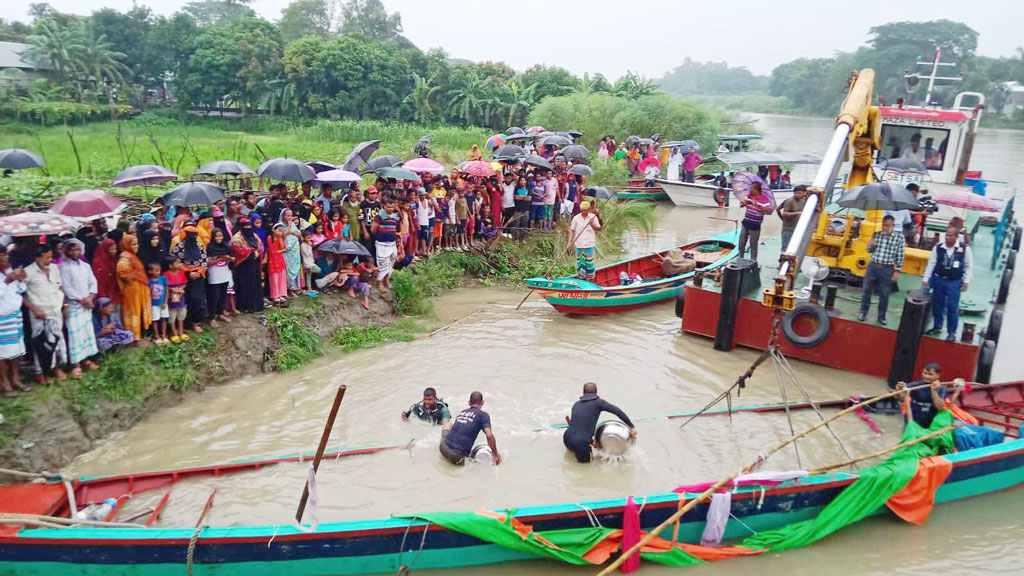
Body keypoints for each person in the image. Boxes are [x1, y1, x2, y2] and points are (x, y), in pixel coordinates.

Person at [22, 244, 68, 383]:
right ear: (37, 257)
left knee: (56, 340)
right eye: (47, 257)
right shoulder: (27, 272)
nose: (50, 259)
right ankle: (40, 371)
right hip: (39, 313)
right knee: (40, 342)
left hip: (55, 310)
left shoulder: (54, 268)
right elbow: (21, 294)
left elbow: (60, 287)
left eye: (51, 256)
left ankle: (55, 367)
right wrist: (34, 310)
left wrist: (64, 305)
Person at [563, 382, 637, 463]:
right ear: (596, 393)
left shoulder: (576, 404)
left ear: (583, 393)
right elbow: (617, 411)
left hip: (567, 439)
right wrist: (631, 427)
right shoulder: (598, 402)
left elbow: (579, 426)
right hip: (581, 444)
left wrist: (591, 442)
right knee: (587, 468)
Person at [922, 225, 973, 342]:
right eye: (946, 235)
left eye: (950, 236)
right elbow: (931, 263)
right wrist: (925, 279)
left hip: (954, 282)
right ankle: (937, 326)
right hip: (939, 280)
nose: (947, 238)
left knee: (952, 306)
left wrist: (966, 281)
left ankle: (951, 332)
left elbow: (968, 266)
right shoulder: (938, 248)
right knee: (937, 304)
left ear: (956, 237)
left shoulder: (964, 249)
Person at [58, 239, 100, 378]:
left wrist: (90, 297)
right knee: (75, 335)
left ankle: (86, 359)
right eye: (71, 250)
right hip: (73, 306)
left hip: (87, 304)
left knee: (87, 332)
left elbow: (93, 281)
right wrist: (82, 300)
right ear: (66, 251)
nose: (74, 252)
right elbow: (66, 288)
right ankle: (75, 364)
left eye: (77, 249)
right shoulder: (63, 267)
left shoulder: (85, 266)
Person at [859, 214, 904, 325]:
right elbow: (869, 250)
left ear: (893, 225)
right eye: (884, 225)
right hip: (873, 265)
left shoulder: (899, 238)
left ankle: (881, 316)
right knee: (866, 290)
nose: (886, 228)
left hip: (887, 268)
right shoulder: (877, 234)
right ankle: (863, 312)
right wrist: (871, 244)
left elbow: (900, 255)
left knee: (884, 293)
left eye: (888, 225)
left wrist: (897, 270)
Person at [440, 391, 501, 466]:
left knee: (448, 424)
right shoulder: (483, 415)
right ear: (482, 403)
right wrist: (495, 454)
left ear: (469, 403)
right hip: (456, 456)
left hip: (443, 447)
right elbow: (489, 435)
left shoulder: (462, 412)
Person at [896, 362, 961, 428]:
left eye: (930, 374)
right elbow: (900, 397)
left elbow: (940, 407)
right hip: (912, 422)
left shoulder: (942, 389)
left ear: (937, 376)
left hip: (931, 425)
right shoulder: (914, 385)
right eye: (925, 373)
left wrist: (934, 390)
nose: (926, 376)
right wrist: (899, 390)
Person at [0, 253, 29, 396]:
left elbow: (20, 290)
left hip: (15, 315)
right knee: (3, 353)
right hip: (2, 317)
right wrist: (6, 281)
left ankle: (15, 379)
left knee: (16, 350)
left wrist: (20, 279)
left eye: (5, 255)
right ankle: (5, 383)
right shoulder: (6, 276)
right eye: (1, 255)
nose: (5, 258)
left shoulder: (8, 270)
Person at [170, 225, 208, 332]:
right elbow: (176, 263)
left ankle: (195, 322)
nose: (193, 237)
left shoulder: (200, 246)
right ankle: (182, 324)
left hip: (198, 276)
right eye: (190, 235)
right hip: (183, 277)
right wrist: (188, 272)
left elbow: (204, 261)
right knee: (182, 299)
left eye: (194, 235)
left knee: (197, 299)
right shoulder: (178, 247)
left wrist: (198, 272)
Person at [116, 235, 153, 341]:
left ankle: (139, 336)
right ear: (126, 245)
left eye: (137, 244)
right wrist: (131, 280)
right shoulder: (125, 257)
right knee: (134, 313)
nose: (136, 246)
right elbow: (122, 272)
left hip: (138, 288)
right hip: (133, 290)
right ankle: (135, 338)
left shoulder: (132, 256)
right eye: (133, 244)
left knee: (138, 311)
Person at [231, 217, 264, 313]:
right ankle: (245, 306)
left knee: (255, 284)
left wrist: (258, 252)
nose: (248, 227)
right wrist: (253, 253)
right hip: (243, 266)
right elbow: (239, 250)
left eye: (249, 225)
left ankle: (256, 305)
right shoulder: (237, 238)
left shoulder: (254, 235)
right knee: (245, 286)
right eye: (245, 226)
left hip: (254, 265)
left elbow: (260, 245)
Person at [737, 183, 773, 261]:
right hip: (746, 221)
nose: (750, 190)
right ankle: (740, 257)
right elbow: (744, 204)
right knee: (742, 241)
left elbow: (768, 211)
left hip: (755, 224)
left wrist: (757, 205)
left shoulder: (764, 199)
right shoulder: (749, 196)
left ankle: (753, 260)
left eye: (752, 188)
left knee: (753, 243)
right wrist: (743, 203)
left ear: (757, 190)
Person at [205, 228, 233, 326]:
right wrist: (220, 258)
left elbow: (232, 258)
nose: (219, 238)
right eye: (217, 236)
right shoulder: (210, 247)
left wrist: (228, 258)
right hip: (214, 275)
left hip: (224, 273)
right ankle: (212, 317)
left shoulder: (225, 246)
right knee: (214, 296)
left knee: (223, 295)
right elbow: (208, 263)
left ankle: (220, 313)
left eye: (220, 236)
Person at [569, 200, 601, 280]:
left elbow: (598, 228)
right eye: (583, 211)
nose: (584, 212)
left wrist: (592, 224)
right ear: (580, 210)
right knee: (580, 263)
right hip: (579, 244)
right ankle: (581, 277)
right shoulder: (576, 218)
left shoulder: (593, 217)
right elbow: (572, 230)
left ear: (589, 209)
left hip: (589, 244)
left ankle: (590, 278)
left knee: (589, 263)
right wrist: (570, 242)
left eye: (586, 211)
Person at [163, 257, 188, 342]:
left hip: (180, 296)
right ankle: (174, 333)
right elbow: (165, 286)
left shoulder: (181, 273)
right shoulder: (165, 275)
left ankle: (181, 331)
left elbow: (185, 283)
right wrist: (171, 290)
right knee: (172, 315)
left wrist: (181, 288)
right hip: (171, 297)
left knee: (181, 314)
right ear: (171, 265)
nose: (179, 264)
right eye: (177, 263)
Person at [91, 238, 121, 307]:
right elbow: (98, 279)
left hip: (114, 293)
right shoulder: (97, 262)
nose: (114, 251)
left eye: (115, 249)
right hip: (102, 293)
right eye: (111, 249)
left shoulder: (115, 261)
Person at [777, 185, 809, 250]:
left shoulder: (803, 201)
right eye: (796, 193)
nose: (797, 195)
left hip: (798, 229)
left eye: (800, 193)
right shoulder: (790, 201)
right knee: (786, 248)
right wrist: (783, 219)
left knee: (796, 248)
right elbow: (783, 212)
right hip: (788, 229)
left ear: (804, 193)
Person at [147, 262, 169, 345]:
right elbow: (147, 293)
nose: (158, 272)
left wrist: (165, 302)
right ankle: (156, 336)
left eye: (159, 271)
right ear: (150, 271)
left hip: (163, 303)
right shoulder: (148, 281)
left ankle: (164, 335)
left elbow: (166, 290)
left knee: (164, 319)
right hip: (153, 304)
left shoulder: (163, 279)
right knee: (155, 320)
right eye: (156, 271)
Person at [267, 223, 288, 303]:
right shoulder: (269, 238)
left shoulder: (280, 238)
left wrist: (280, 238)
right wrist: (282, 251)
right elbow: (272, 252)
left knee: (281, 278)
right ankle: (275, 295)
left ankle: (281, 294)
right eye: (279, 230)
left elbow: (283, 247)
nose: (281, 232)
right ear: (273, 230)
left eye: (282, 231)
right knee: (274, 279)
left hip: (280, 260)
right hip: (273, 261)